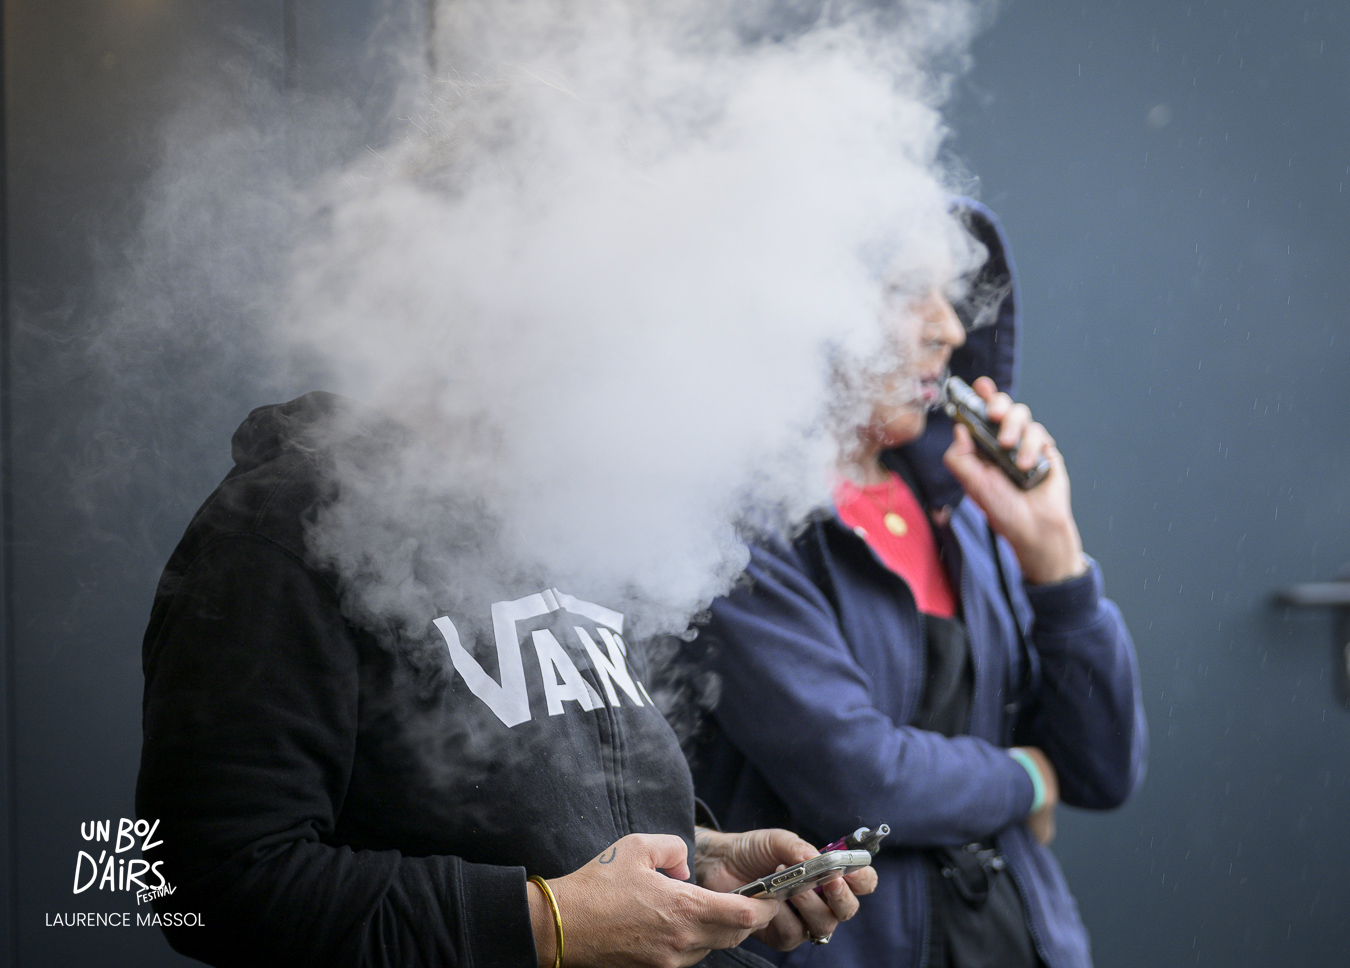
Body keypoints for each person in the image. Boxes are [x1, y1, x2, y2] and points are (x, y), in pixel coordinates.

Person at [135, 391, 876, 968]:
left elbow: (546, 819)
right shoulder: (283, 527)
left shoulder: (564, 510)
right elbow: (213, 885)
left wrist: (704, 860)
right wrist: (548, 923)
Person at [684, 200, 1147, 968]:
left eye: (950, 293)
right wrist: (1027, 777)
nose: (951, 329)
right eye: (906, 292)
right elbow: (860, 781)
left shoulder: (962, 511)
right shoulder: (736, 528)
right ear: (806, 305)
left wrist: (1057, 562)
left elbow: (1102, 768)